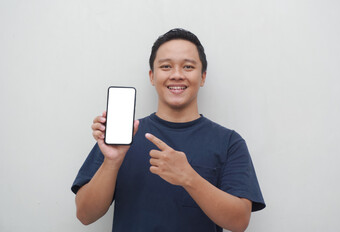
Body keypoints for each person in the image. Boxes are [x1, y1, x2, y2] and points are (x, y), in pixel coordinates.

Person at [71, 28, 265, 232]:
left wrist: (189, 177)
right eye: (166, 66)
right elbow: (85, 215)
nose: (177, 75)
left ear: (203, 77)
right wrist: (112, 162)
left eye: (188, 66)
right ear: (152, 76)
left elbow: (239, 221)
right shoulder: (123, 137)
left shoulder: (229, 142)